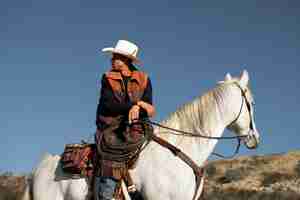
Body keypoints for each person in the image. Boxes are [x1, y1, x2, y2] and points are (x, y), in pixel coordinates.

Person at [94, 40, 155, 200]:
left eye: (116, 57)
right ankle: (106, 195)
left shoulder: (144, 79)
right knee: (112, 149)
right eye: (113, 57)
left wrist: (139, 108)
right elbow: (108, 105)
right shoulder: (107, 77)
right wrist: (135, 105)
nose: (112, 59)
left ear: (126, 59)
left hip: (137, 126)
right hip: (111, 126)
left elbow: (148, 105)